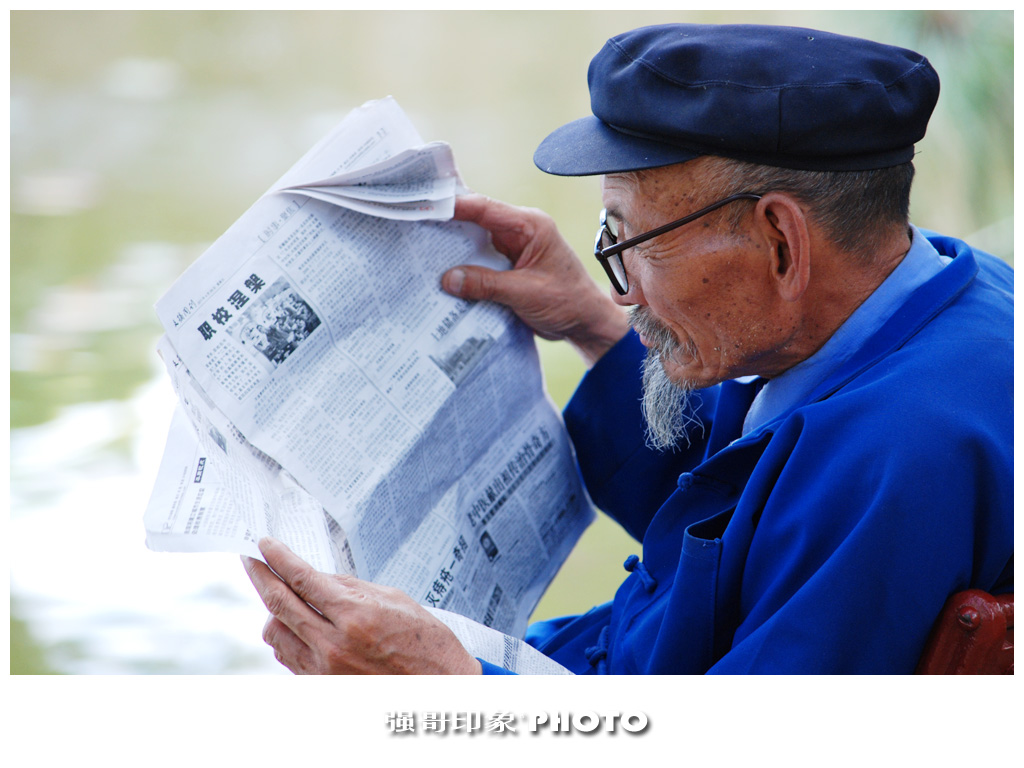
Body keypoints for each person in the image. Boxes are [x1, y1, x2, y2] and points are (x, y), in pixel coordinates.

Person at [242, 23, 1013, 674]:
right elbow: (747, 518)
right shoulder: (935, 296)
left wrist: (452, 690)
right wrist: (592, 326)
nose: (622, 287)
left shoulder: (898, 460)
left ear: (781, 242)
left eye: (632, 238)